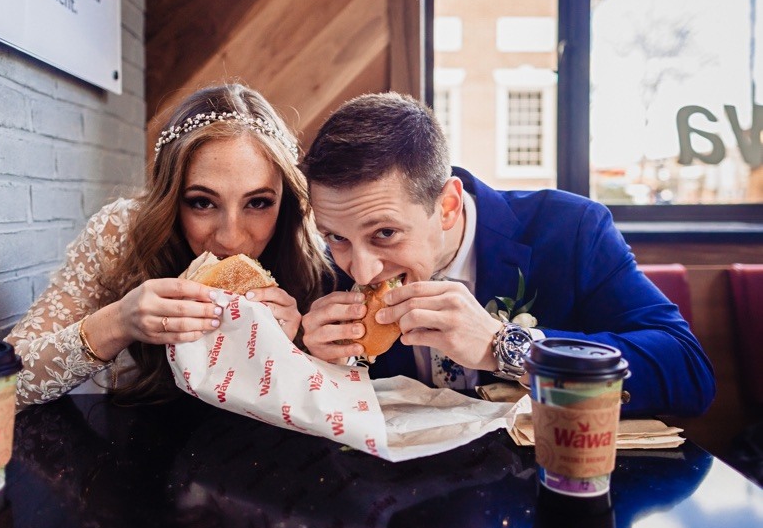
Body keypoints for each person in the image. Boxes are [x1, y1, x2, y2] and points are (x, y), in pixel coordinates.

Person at [299, 92, 715, 417]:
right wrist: (315, 368)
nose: (363, 269)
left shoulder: (572, 230)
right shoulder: (327, 271)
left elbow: (688, 372)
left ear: (447, 206)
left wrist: (510, 348)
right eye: (336, 236)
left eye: (385, 233)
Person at [6, 83, 329, 407]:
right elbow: (3, 387)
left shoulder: (312, 246)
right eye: (202, 202)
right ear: (171, 199)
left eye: (258, 203)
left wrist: (290, 352)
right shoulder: (121, 234)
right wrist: (119, 322)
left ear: (284, 201)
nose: (230, 238)